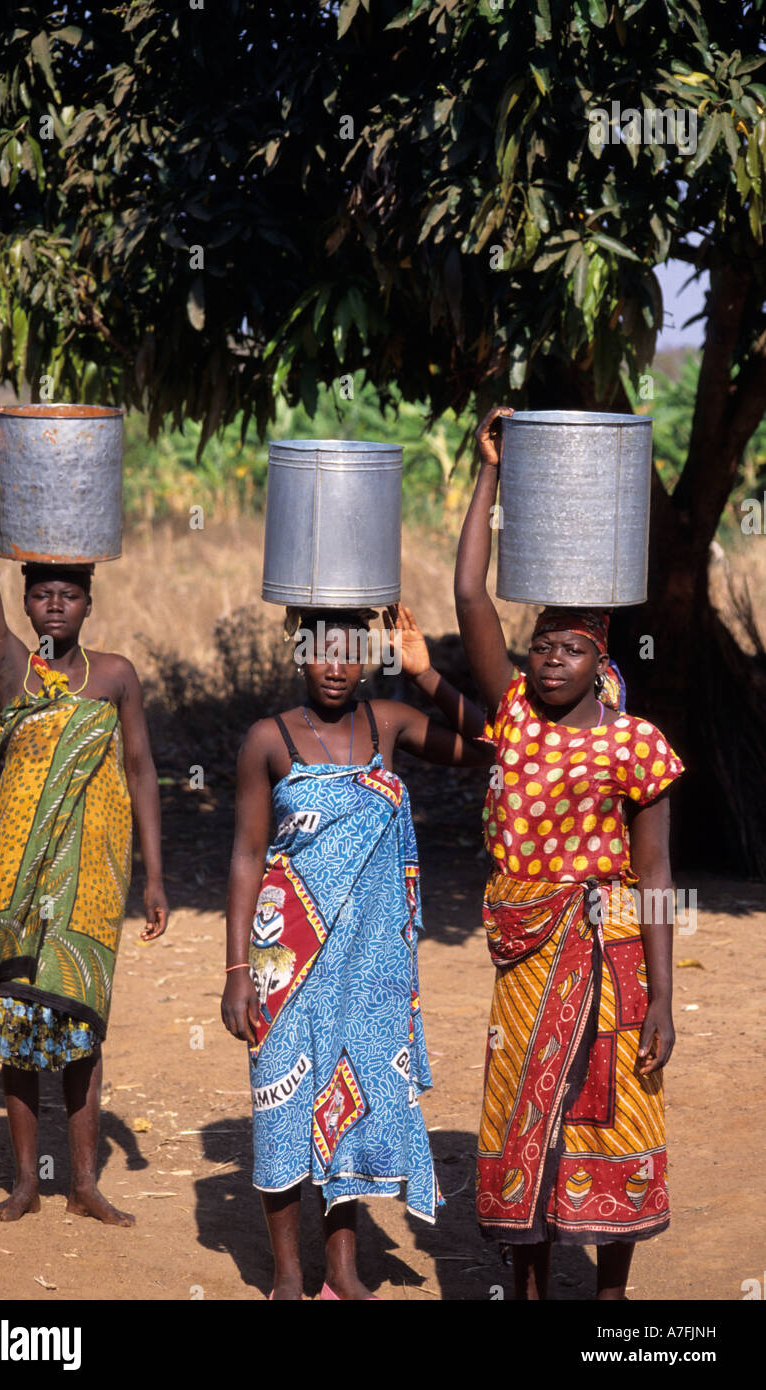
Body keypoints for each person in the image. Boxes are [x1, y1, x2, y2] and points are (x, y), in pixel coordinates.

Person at [454, 406, 685, 1301]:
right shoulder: (511, 711)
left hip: (613, 937)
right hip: (526, 943)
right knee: (524, 1106)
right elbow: (472, 595)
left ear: (601, 658)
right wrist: (492, 472)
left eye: (570, 649)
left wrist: (665, 993)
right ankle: (529, 1286)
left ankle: (613, 1297)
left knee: (613, 1109)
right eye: (542, 646)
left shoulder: (638, 743)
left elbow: (658, 874)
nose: (550, 662)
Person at [221, 603, 492, 1300]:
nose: (336, 666)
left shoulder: (388, 723)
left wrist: (425, 672)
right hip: (288, 958)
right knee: (282, 1105)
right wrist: (236, 971)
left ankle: (342, 1272)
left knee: (349, 1103)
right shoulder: (268, 739)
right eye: (320, 650)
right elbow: (249, 855)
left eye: (351, 651)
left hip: (371, 965)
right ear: (297, 654)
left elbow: (495, 741)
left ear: (372, 656)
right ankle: (287, 1276)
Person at [0, 404, 169, 1226]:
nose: (50, 608)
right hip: (17, 877)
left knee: (78, 1026)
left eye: (65, 596)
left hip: (89, 882)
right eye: (38, 595)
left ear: (88, 603)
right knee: (17, 1027)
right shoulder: (13, 670)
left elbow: (144, 772)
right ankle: (25, 1183)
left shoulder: (115, 677)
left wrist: (153, 876)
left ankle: (83, 1183)